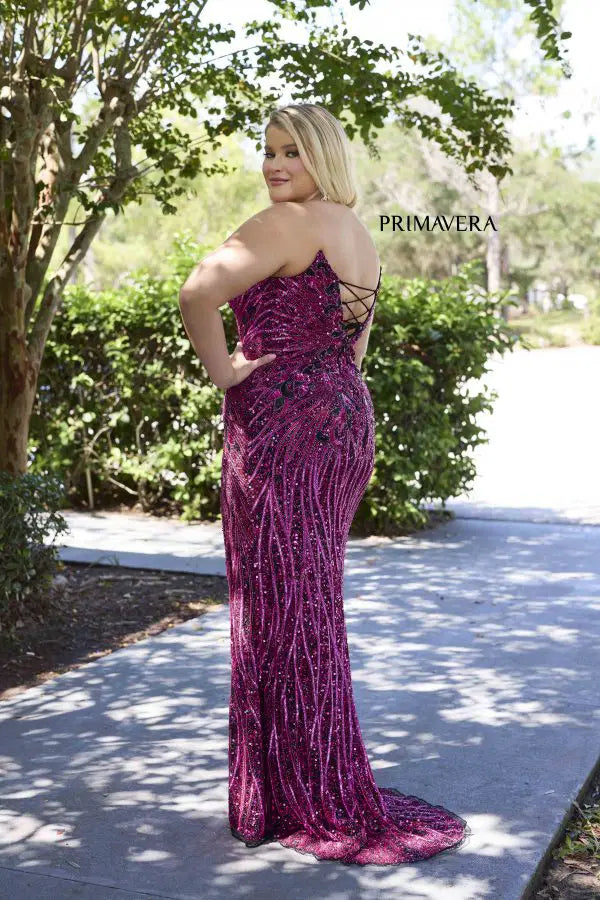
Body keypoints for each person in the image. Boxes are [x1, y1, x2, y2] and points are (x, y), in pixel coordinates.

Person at [179, 103, 470, 865]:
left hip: (281, 426)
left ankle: (298, 791)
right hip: (342, 420)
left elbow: (196, 293)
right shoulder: (357, 232)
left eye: (293, 152)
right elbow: (354, 349)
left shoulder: (286, 224)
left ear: (323, 158)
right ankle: (312, 776)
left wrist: (226, 372)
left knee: (279, 604)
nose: (275, 165)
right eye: (269, 151)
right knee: (306, 602)